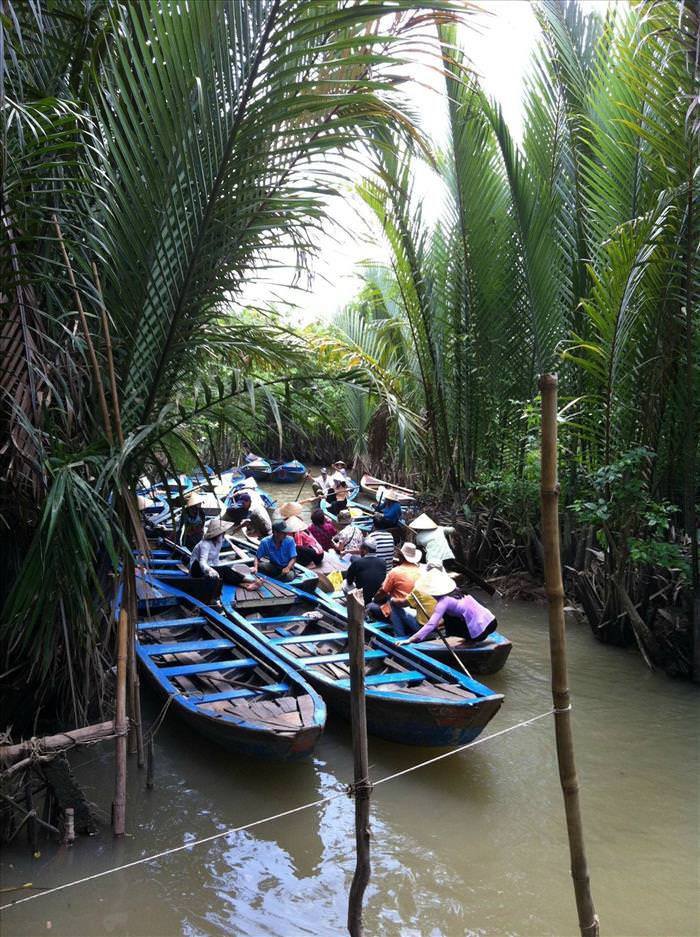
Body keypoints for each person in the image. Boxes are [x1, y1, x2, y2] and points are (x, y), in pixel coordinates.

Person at [397, 567, 497, 646]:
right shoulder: (458, 590)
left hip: (480, 634)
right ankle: (469, 636)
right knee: (451, 614)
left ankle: (471, 640)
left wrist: (411, 639)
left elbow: (432, 624)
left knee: (446, 614)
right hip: (492, 623)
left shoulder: (444, 602)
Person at [189, 517, 263, 592]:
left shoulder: (218, 543)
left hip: (208, 566)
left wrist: (219, 569)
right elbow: (202, 562)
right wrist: (210, 570)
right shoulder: (205, 544)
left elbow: (215, 560)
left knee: (225, 571)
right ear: (216, 534)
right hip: (197, 568)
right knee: (225, 570)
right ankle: (252, 581)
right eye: (222, 533)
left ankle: (246, 585)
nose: (224, 535)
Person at [366, 541, 422, 634]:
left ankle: (382, 633)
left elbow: (382, 591)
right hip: (416, 609)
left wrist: (374, 599)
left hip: (400, 609)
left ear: (400, 557)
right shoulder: (420, 571)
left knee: (370, 606)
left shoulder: (396, 572)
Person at [344, 536, 386, 604]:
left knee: (344, 584)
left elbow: (349, 581)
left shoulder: (357, 563)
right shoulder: (383, 562)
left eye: (360, 548)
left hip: (362, 599)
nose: (359, 550)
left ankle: (353, 603)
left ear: (365, 550)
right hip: (376, 598)